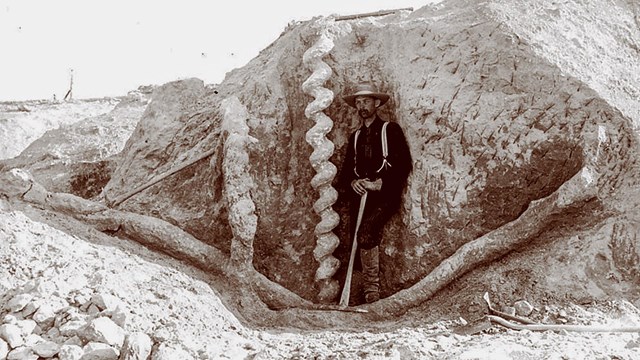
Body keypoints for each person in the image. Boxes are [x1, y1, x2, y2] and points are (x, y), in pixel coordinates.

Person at [338, 81, 412, 303]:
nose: (362, 106)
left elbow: (403, 164)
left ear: (376, 103)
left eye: (366, 101)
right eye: (358, 102)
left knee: (368, 231)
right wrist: (354, 183)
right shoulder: (356, 137)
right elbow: (346, 173)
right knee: (355, 240)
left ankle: (373, 294)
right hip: (361, 198)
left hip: (384, 197)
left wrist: (380, 184)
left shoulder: (390, 130)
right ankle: (356, 294)